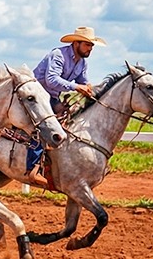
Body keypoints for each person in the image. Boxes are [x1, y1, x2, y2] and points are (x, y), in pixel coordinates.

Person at [25, 26, 104, 180]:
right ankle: (33, 167)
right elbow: (52, 79)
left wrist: (88, 87)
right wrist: (76, 87)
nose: (90, 49)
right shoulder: (58, 55)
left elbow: (82, 80)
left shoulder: (82, 63)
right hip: (35, 97)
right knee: (43, 125)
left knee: (70, 123)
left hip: (52, 97)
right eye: (87, 45)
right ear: (76, 43)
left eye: (91, 46)